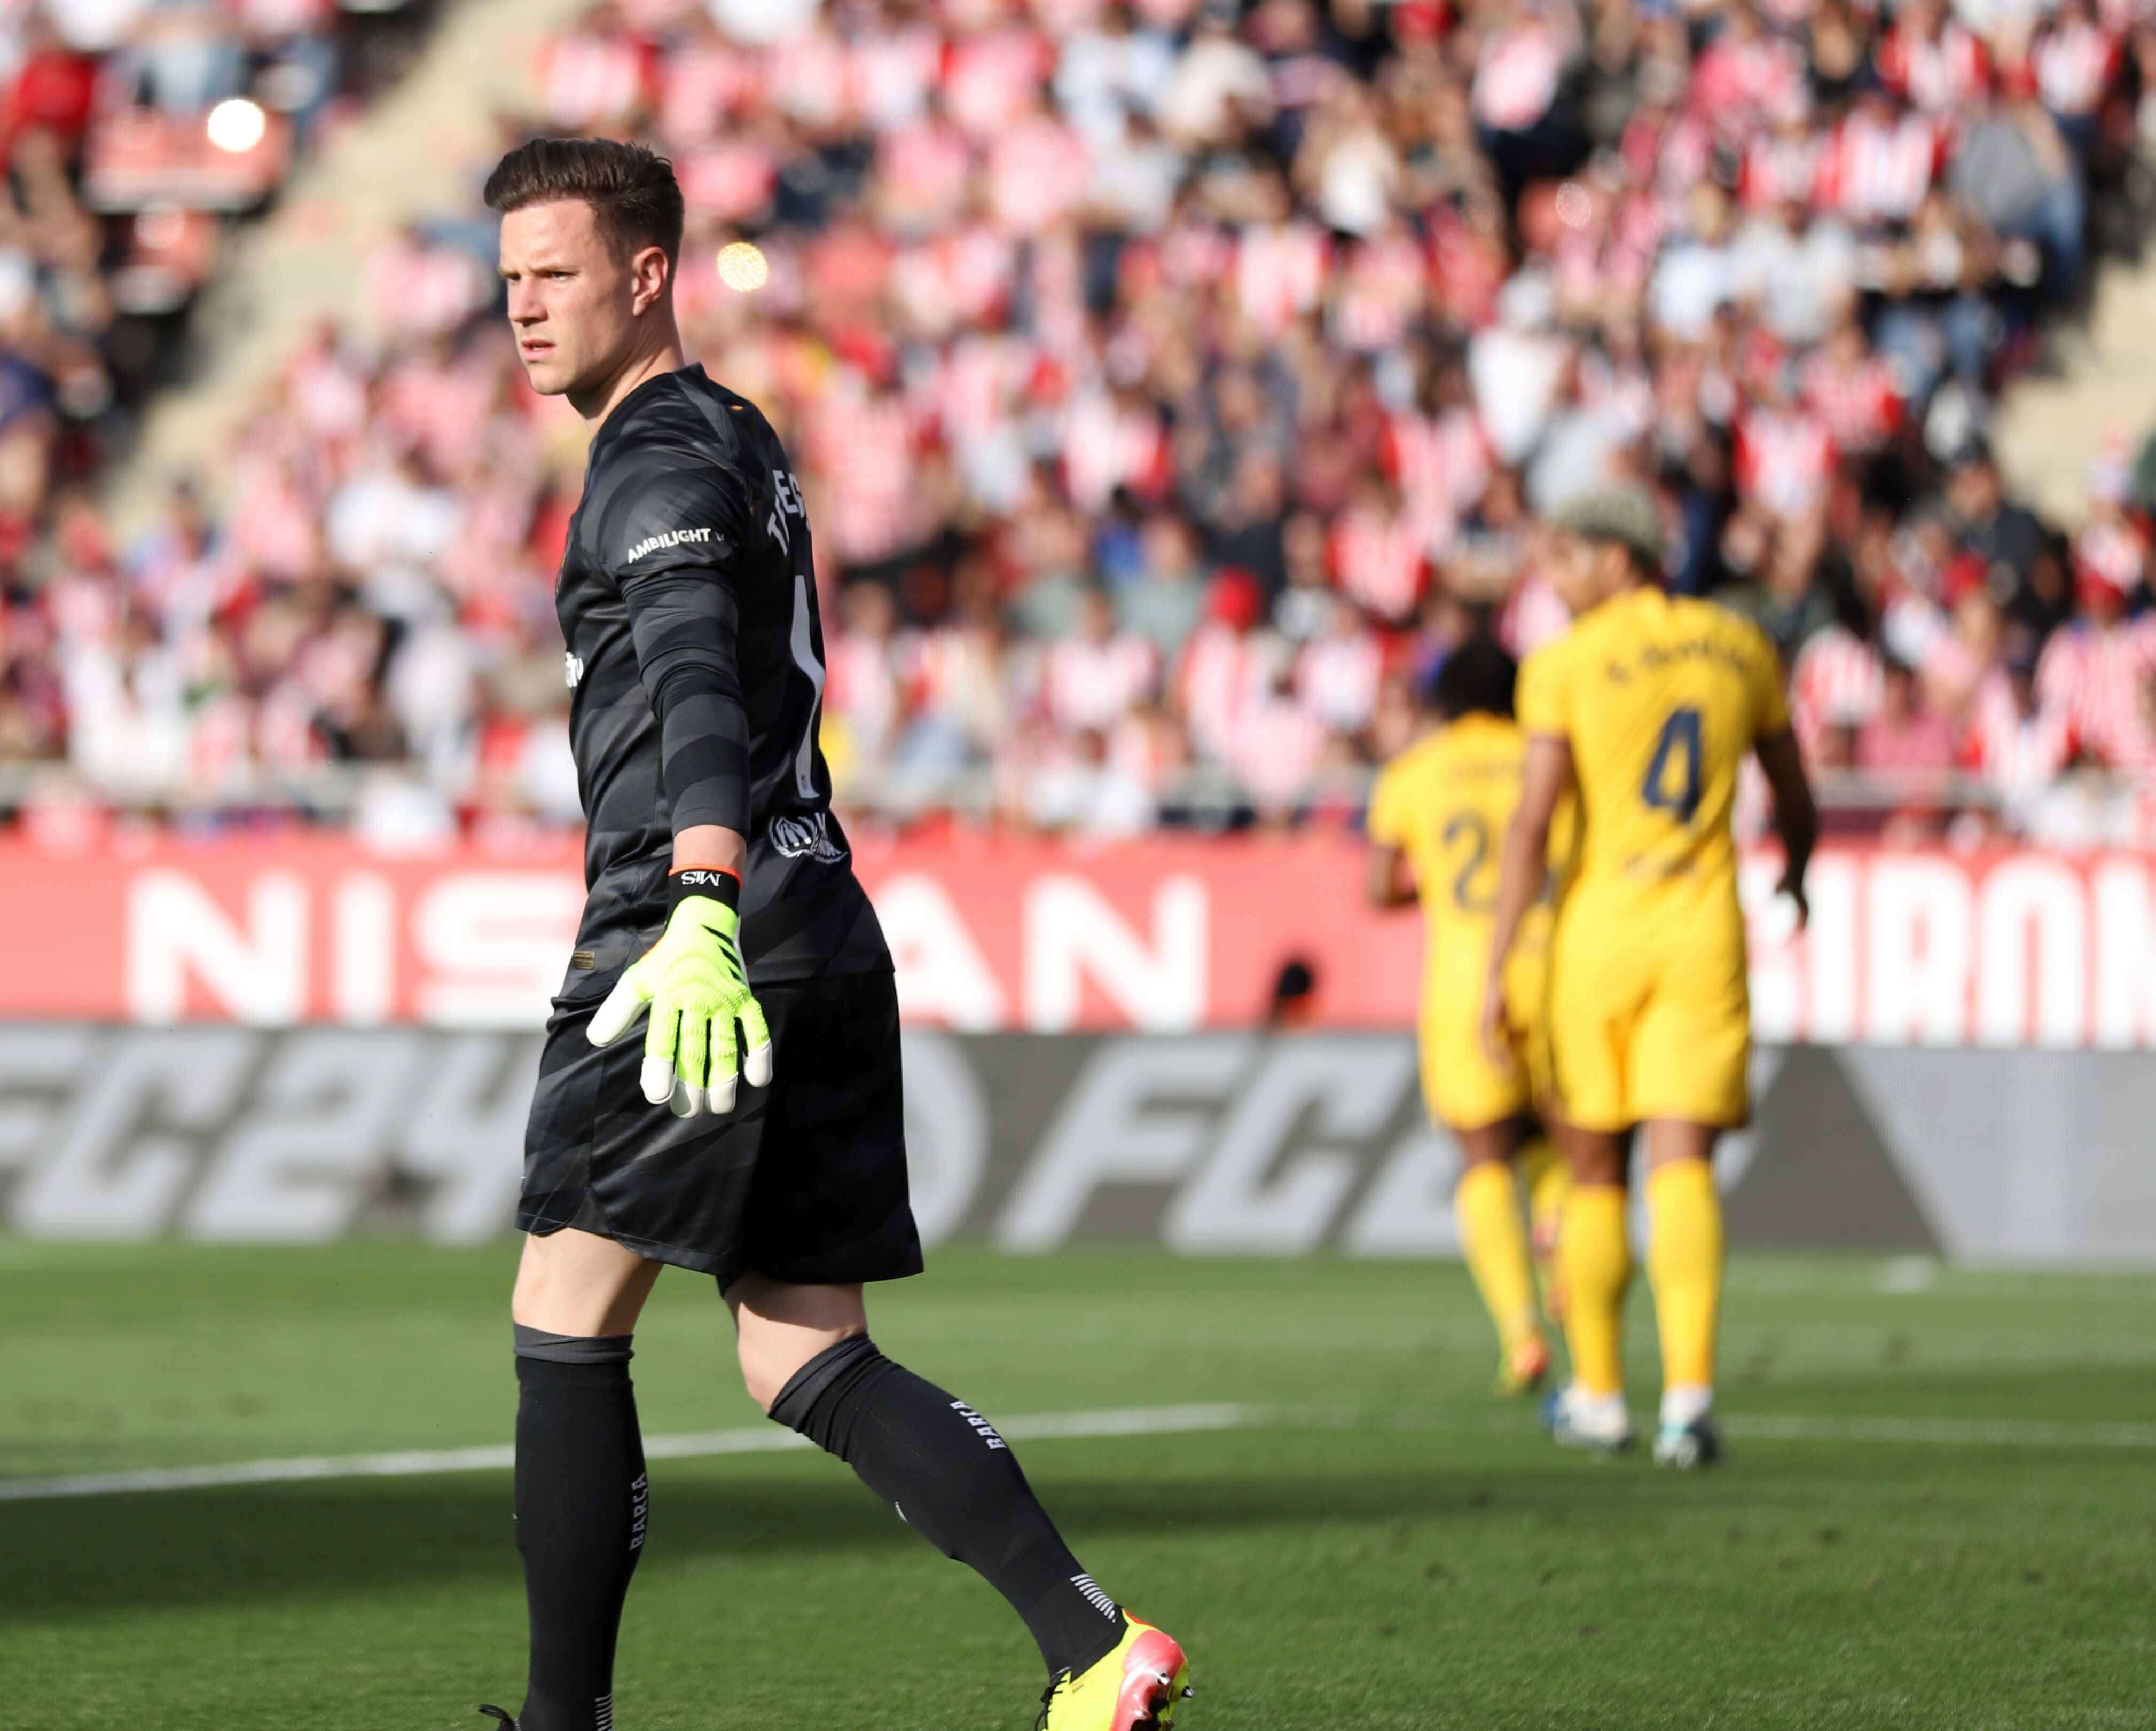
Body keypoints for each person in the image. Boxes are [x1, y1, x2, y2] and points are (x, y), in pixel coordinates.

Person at [480, 138, 1190, 1731]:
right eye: (509, 276)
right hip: (822, 922)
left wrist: (700, 905)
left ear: (645, 274)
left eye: (556, 275)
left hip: (695, 941)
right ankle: (1088, 1646)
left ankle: (558, 1724)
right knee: (801, 1352)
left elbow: (697, 688)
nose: (520, 308)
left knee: (564, 1319)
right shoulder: (737, 435)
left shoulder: (653, 465)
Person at [1483, 485, 1817, 1467]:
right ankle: (1689, 1400)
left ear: (1618, 558)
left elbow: (1533, 822)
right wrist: (1796, 873)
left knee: (1592, 1170)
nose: (1553, 576)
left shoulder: (1565, 663)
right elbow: (1794, 792)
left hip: (1597, 937)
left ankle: (1596, 1395)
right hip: (1701, 930)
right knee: (1682, 1165)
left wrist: (1500, 960)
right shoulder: (1741, 645)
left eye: (1567, 556)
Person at [1364, 633, 1572, 1396]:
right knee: (1559, 1145)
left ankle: (1521, 1334)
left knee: (1483, 1156)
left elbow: (1378, 886)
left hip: (1464, 975)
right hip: (1548, 963)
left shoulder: (1414, 771)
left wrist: (1441, 891)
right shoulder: (1542, 755)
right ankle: (1564, 1253)